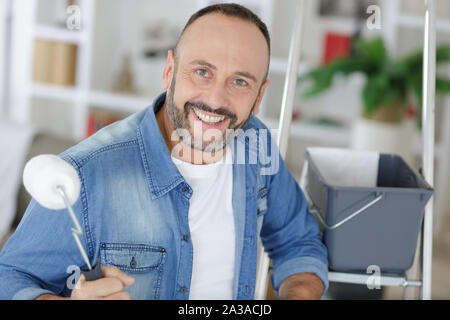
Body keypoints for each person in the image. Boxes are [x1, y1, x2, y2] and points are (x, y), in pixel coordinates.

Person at [0, 3, 328, 300]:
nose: (215, 100)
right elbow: (10, 277)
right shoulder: (88, 172)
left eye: (239, 81)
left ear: (259, 95)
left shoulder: (256, 144)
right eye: (203, 71)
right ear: (169, 70)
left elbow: (297, 242)